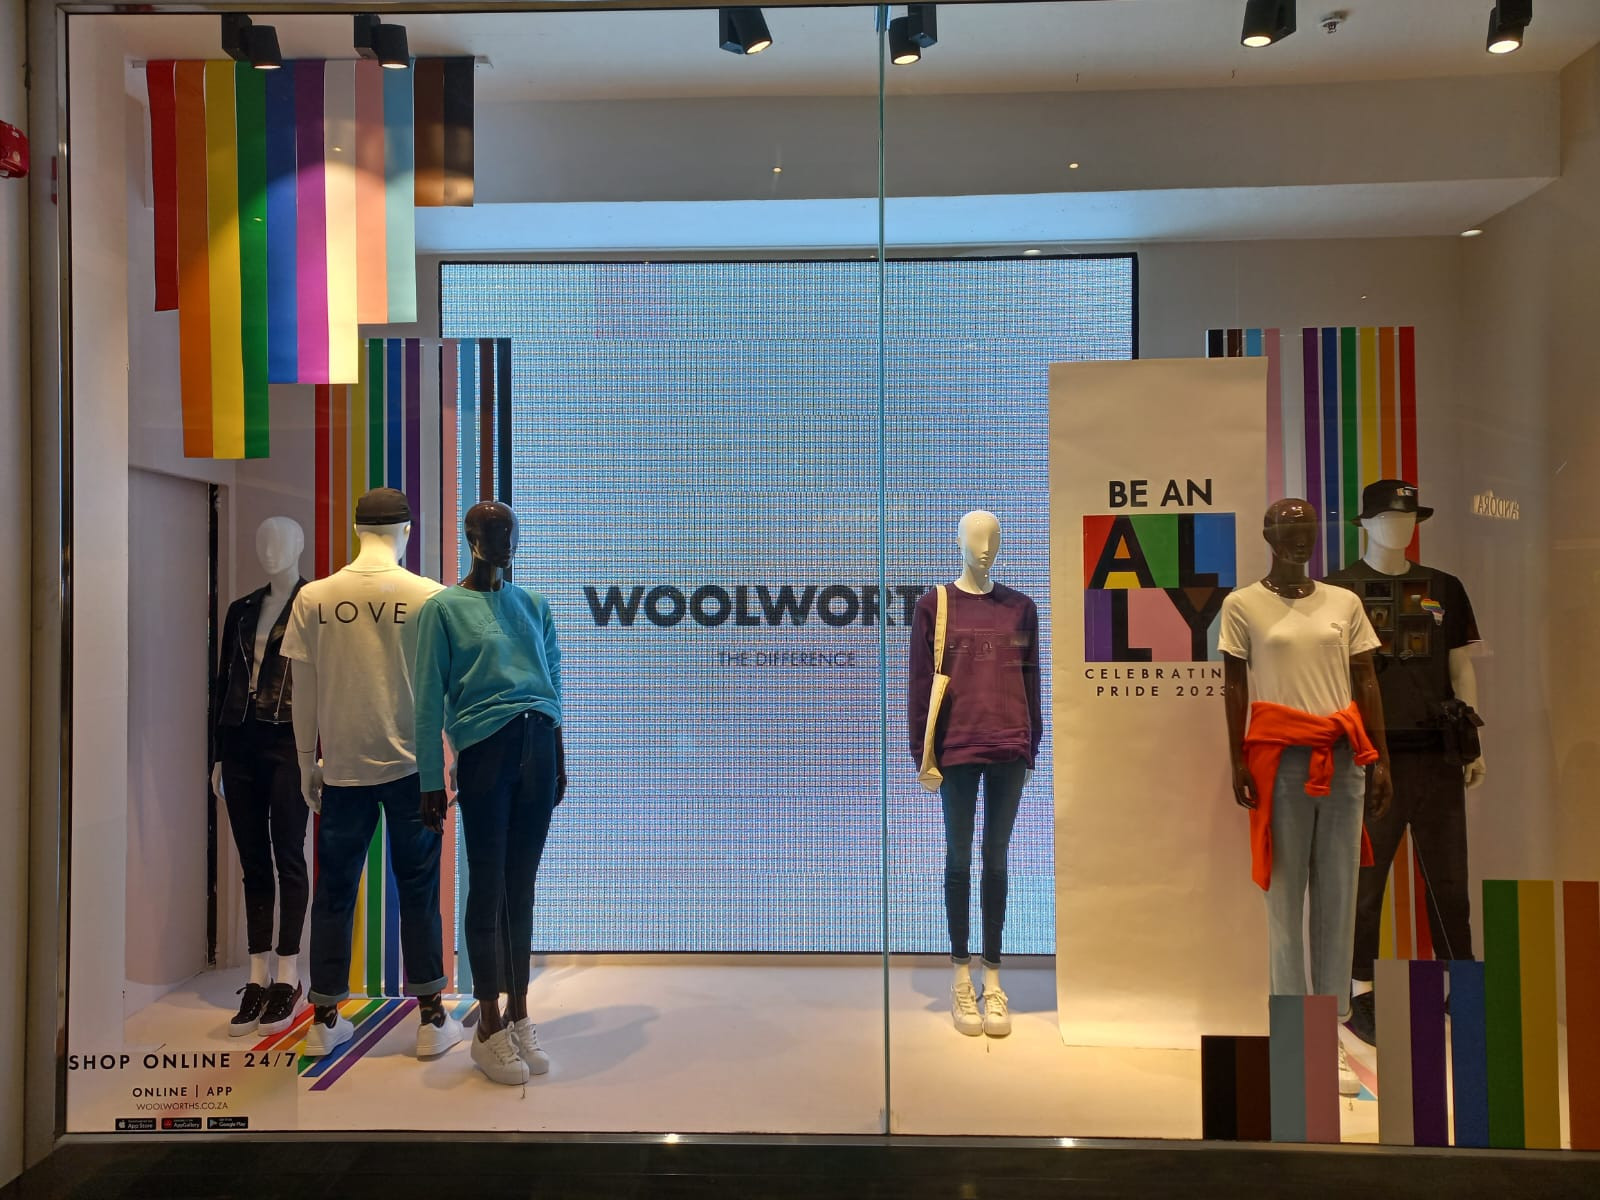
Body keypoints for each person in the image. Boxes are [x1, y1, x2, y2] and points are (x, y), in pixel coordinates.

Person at [279, 488, 464, 1061]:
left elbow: (302, 689)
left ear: (356, 530)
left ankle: (325, 1017)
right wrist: (454, 753)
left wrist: (306, 761)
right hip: (414, 768)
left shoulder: (315, 596)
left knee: (334, 892)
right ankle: (431, 1016)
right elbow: (448, 688)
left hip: (342, 768)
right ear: (407, 531)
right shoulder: (430, 596)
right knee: (419, 889)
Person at [1219, 498, 1392, 1096]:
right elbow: (1234, 683)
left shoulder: (1343, 603)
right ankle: (1294, 1033)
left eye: (1309, 529)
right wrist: (1237, 757)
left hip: (1342, 758)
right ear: (1268, 535)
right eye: (1290, 529)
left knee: (1339, 897)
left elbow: (1366, 679)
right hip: (1280, 760)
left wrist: (1381, 760)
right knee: (1285, 896)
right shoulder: (1243, 604)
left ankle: (1330, 1027)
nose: (1302, 538)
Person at [1323, 480, 1485, 1045]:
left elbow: (1461, 666)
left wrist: (1473, 742)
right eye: (1389, 517)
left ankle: (1463, 988)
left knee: (1449, 877)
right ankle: (1358, 990)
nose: (1401, 526)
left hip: (1437, 752)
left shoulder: (1445, 587)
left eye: (1409, 516)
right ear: (1364, 523)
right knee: (1365, 881)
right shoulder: (1336, 591)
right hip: (1369, 757)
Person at [416, 501, 567, 1086]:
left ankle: (520, 1013)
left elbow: (553, 684)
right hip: (485, 752)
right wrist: (430, 779)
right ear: (470, 537)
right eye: (493, 532)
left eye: (511, 532)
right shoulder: (443, 608)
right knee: (487, 885)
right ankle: (488, 1024)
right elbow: (427, 700)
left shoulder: (533, 605)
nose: (505, 542)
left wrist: (558, 758)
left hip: (537, 746)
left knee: (520, 886)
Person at [908, 510, 1042, 1038]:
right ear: (958, 541)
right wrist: (922, 752)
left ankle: (994, 976)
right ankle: (961, 974)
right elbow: (920, 682)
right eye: (975, 537)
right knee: (959, 860)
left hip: (1009, 743)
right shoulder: (934, 604)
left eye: (993, 538)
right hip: (958, 744)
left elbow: (1030, 677)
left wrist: (1032, 743)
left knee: (997, 860)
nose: (985, 547)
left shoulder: (1021, 607)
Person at [212, 517, 308, 1037]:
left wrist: (317, 753)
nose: (270, 549)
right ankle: (256, 974)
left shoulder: (313, 605)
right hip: (240, 742)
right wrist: (218, 755)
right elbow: (222, 680)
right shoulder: (241, 609)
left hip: (289, 741)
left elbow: (322, 681)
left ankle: (288, 973)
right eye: (262, 538)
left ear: (299, 545)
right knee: (252, 862)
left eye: (281, 540)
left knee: (288, 855)